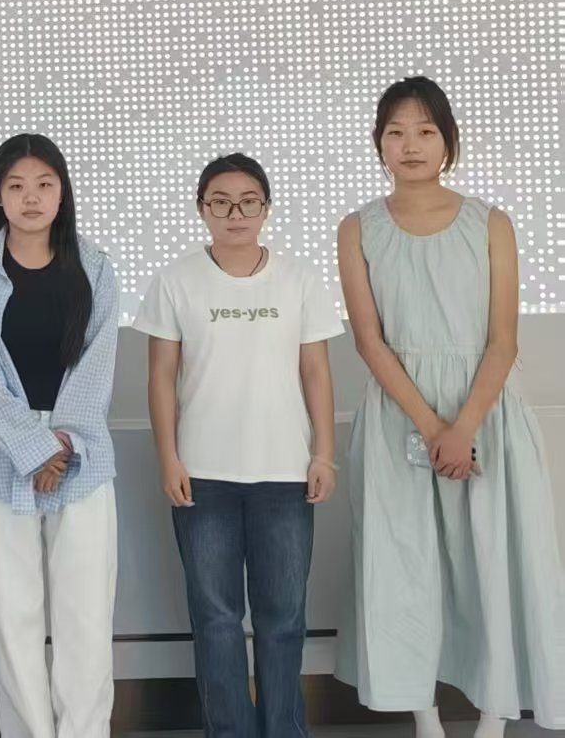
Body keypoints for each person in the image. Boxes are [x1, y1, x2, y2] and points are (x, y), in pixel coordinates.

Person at [336, 77, 565, 736]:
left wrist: (462, 427)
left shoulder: (491, 223)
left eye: (425, 131)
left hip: (486, 412)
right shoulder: (357, 228)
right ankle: (426, 720)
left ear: (448, 141)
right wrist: (432, 426)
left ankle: (495, 718)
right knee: (406, 563)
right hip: (399, 415)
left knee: (494, 558)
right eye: (396, 132)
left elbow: (503, 340)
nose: (410, 144)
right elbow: (369, 340)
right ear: (379, 142)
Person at [137, 154, 343, 738]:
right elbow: (160, 377)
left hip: (285, 474)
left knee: (283, 619)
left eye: (248, 200)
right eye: (221, 202)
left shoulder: (299, 280)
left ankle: (285, 730)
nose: (235, 213)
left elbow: (316, 373)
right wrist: (168, 458)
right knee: (216, 620)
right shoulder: (175, 281)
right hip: (203, 477)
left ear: (266, 209)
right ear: (202, 209)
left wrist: (323, 453)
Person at [0, 133, 121, 738]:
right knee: (14, 620)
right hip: (0, 461)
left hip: (81, 461)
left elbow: (97, 367)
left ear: (62, 192)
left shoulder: (95, 267)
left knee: (85, 620)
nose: (31, 198)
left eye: (45, 184)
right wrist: (33, 447)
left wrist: (61, 445)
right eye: (17, 186)